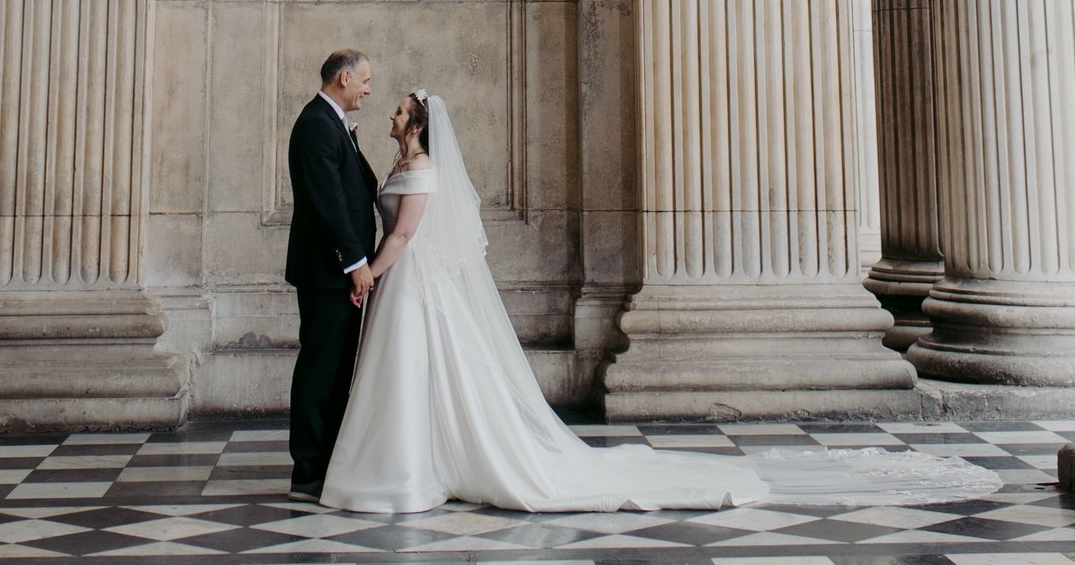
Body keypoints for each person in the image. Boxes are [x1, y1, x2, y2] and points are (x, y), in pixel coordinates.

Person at [318, 89, 1005, 515]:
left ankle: (404, 470)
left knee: (420, 376)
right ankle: (407, 465)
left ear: (417, 122)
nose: (390, 110)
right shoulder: (407, 163)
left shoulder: (425, 168)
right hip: (405, 286)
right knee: (416, 380)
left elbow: (406, 234)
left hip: (406, 283)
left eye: (399, 106)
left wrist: (369, 273)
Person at [285, 49, 379, 503]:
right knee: (320, 371)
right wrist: (355, 263)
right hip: (328, 273)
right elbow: (328, 204)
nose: (368, 89)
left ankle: (328, 464)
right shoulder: (315, 125)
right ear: (344, 77)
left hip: (339, 275)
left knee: (339, 370)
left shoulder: (332, 122)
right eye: (364, 80)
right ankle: (307, 471)